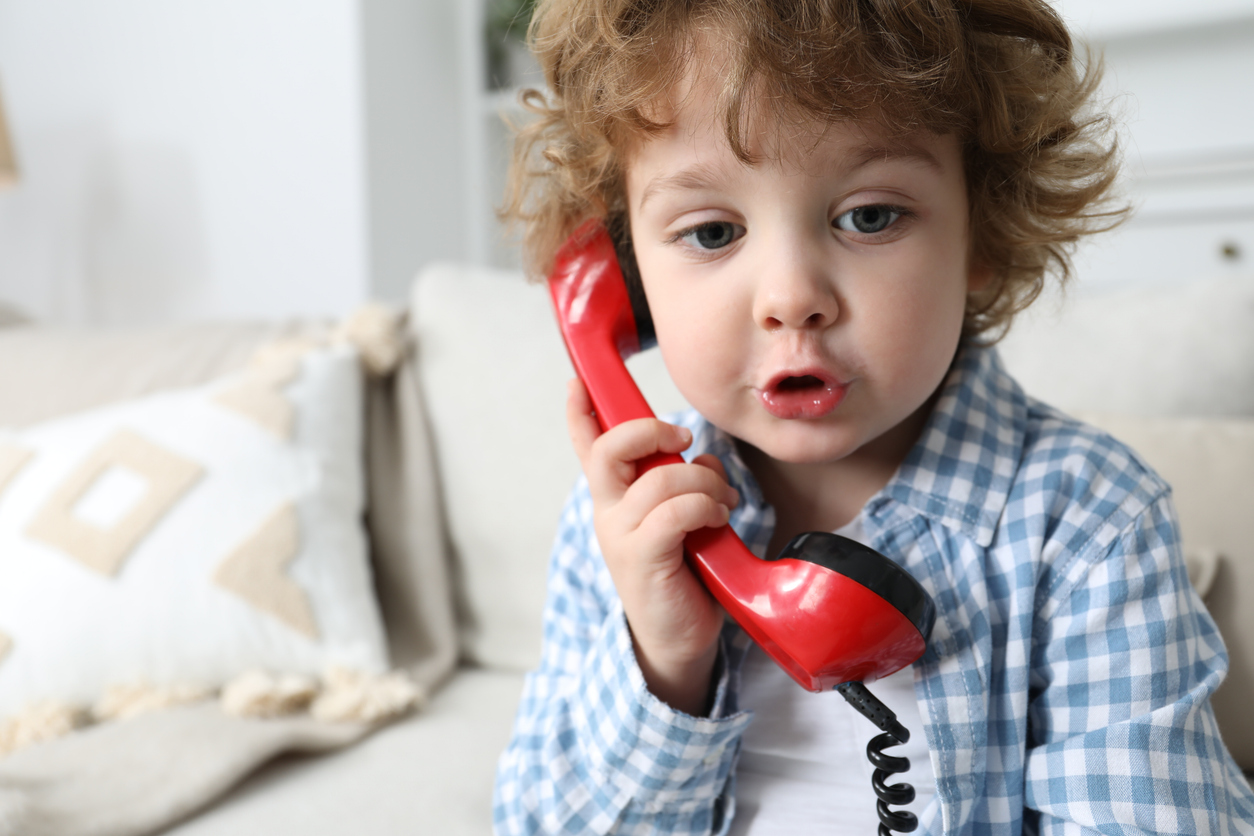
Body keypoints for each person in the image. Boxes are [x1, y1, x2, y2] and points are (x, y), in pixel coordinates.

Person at [492, 1, 1254, 833]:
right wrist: (663, 659)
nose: (791, 298)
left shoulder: (1090, 518)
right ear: (627, 285)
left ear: (981, 233)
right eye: (713, 231)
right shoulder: (625, 527)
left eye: (869, 216)